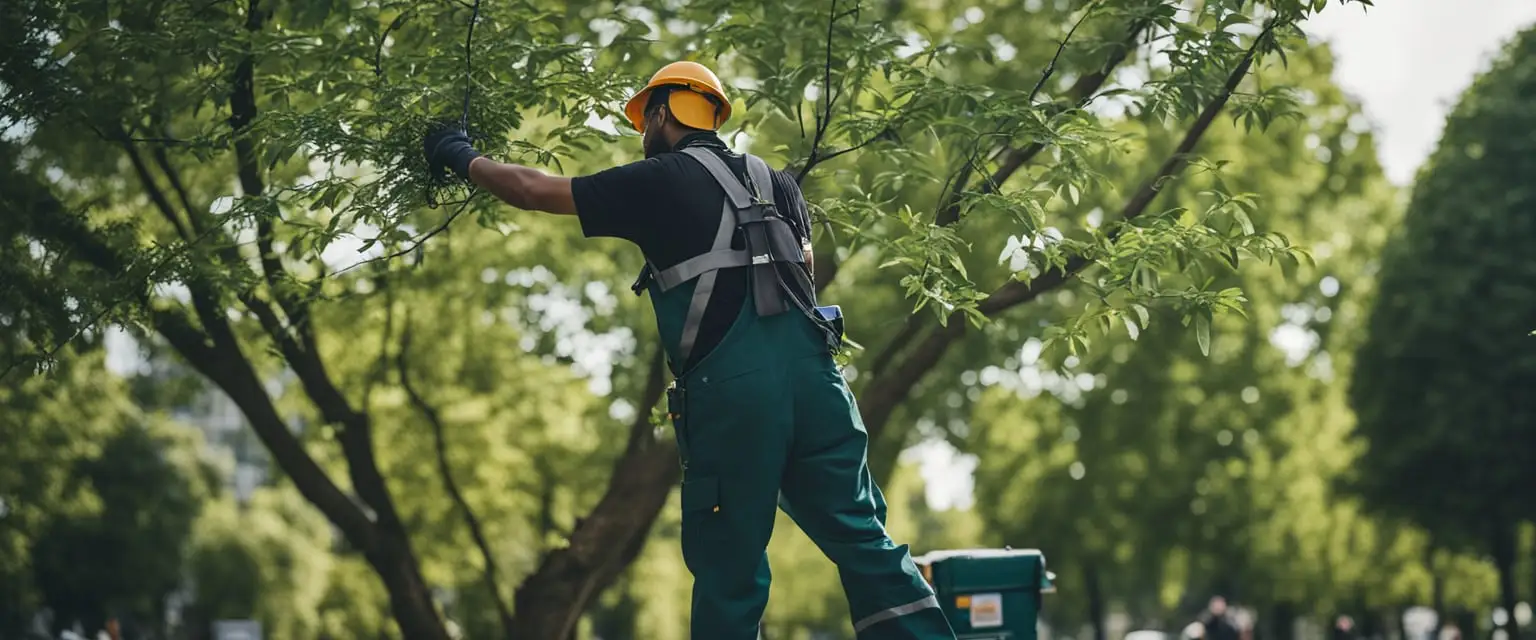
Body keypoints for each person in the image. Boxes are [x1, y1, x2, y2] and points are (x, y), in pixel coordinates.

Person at [422, 61, 957, 640]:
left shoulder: (660, 179)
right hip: (821, 391)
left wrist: (457, 153)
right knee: (866, 540)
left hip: (735, 399)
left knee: (731, 566)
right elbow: (801, 277)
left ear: (661, 114)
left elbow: (531, 190)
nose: (642, 135)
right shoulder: (780, 183)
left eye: (643, 122)